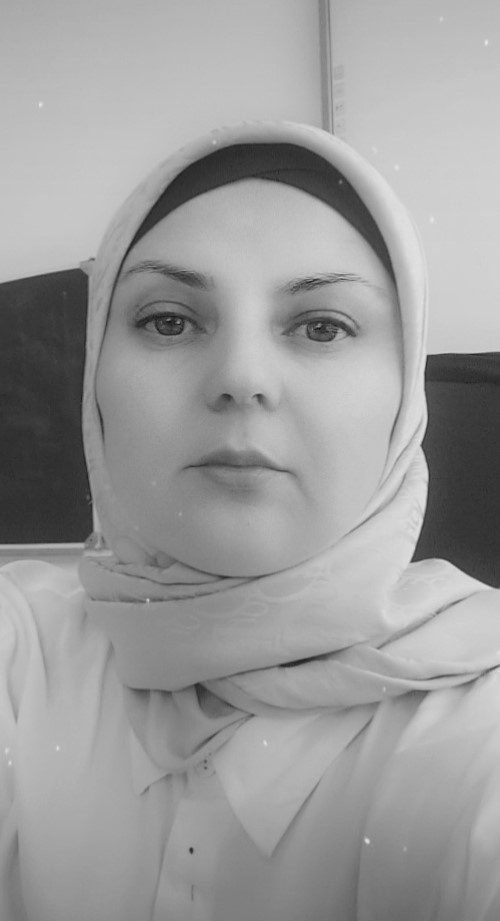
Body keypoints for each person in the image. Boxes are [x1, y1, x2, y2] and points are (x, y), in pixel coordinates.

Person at [1, 120, 500, 921]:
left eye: (322, 326)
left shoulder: (476, 711)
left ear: (405, 395)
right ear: (95, 379)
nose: (241, 376)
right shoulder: (22, 651)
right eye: (169, 321)